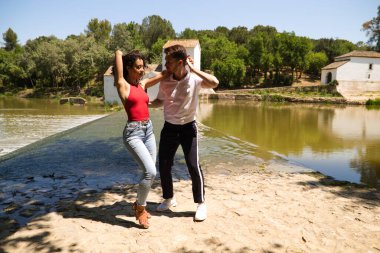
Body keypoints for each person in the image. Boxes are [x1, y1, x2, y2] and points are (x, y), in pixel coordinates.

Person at [151, 44, 219, 221]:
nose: (166, 64)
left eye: (169, 61)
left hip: (189, 128)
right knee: (164, 165)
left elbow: (215, 82)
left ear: (181, 62)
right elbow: (159, 100)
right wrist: (147, 104)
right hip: (169, 128)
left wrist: (194, 68)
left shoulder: (194, 79)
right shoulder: (165, 81)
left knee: (193, 165)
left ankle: (201, 203)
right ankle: (169, 198)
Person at [114, 49, 166, 229]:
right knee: (150, 172)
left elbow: (163, 75)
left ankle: (138, 204)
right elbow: (119, 70)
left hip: (149, 130)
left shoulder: (142, 85)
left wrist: (180, 65)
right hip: (133, 133)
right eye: (138, 67)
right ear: (129, 68)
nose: (142, 70)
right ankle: (140, 209)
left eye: (143, 67)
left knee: (150, 174)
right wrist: (118, 52)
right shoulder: (123, 85)